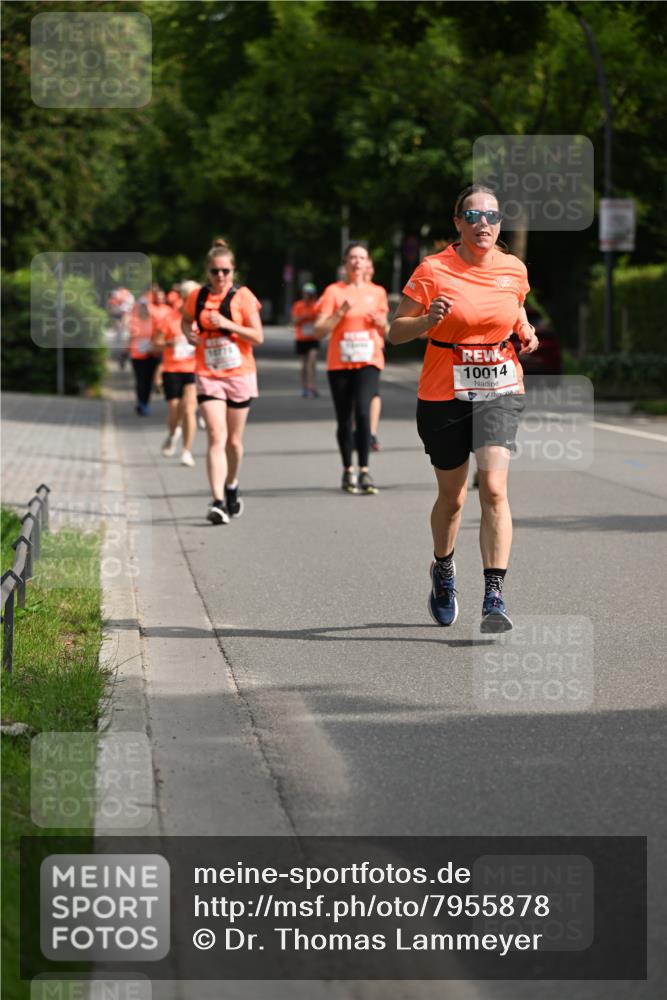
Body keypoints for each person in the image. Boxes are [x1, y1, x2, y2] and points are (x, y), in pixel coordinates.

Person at [388, 184, 538, 632]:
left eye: (491, 216)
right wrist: (427, 320)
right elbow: (396, 333)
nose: (483, 225)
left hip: (500, 387)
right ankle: (444, 569)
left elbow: (516, 312)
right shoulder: (433, 269)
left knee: (493, 488)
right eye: (473, 217)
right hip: (443, 393)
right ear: (458, 223)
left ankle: (494, 594)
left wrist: (526, 332)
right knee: (452, 499)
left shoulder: (514, 269)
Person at [182, 238, 264, 524]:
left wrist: (227, 324)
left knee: (233, 441)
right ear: (207, 271)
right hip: (208, 373)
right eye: (215, 271)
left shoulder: (243, 297)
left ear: (233, 272)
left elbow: (258, 336)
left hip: (240, 374)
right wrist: (188, 333)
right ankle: (217, 502)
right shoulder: (197, 297)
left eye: (225, 271)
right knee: (216, 437)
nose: (220, 277)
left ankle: (231, 485)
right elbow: (184, 319)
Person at [314, 242, 389, 495]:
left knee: (363, 412)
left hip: (369, 361)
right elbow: (319, 330)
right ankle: (348, 470)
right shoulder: (333, 292)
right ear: (345, 263)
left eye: (362, 258)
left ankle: (365, 470)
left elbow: (388, 330)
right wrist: (340, 313)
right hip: (340, 363)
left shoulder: (377, 292)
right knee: (344, 418)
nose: (357, 262)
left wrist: (382, 323)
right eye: (353, 258)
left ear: (368, 263)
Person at [154, 280, 198, 466]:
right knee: (174, 409)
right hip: (172, 369)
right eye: (188, 299)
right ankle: (173, 433)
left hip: (194, 370)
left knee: (189, 409)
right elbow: (156, 344)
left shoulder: (202, 319)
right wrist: (171, 343)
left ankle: (186, 451)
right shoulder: (170, 318)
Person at [364, 258, 389, 450]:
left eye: (370, 267)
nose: (367, 270)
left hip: (372, 350)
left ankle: (371, 433)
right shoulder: (341, 291)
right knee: (355, 397)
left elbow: (387, 326)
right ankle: (358, 429)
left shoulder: (378, 292)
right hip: (347, 354)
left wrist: (381, 322)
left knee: (373, 393)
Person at [128, 295, 161, 415]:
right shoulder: (134, 321)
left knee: (148, 381)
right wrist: (125, 352)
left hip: (151, 355)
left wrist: (155, 346)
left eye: (145, 306)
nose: (143, 309)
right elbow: (131, 338)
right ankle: (141, 403)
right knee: (140, 381)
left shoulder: (154, 320)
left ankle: (146, 402)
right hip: (137, 355)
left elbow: (159, 335)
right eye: (141, 307)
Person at [291, 282, 320, 398]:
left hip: (313, 338)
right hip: (301, 338)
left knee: (311, 362)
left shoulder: (316, 306)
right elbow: (294, 321)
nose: (307, 296)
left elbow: (320, 320)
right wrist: (303, 318)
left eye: (309, 294)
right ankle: (304, 387)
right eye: (305, 293)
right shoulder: (298, 306)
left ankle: (312, 386)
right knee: (304, 365)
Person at [107, 286, 134, 369]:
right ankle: (122, 356)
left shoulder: (126, 298)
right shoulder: (114, 299)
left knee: (125, 333)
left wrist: (124, 324)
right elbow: (112, 311)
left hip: (127, 310)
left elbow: (126, 313)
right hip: (123, 311)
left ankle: (123, 356)